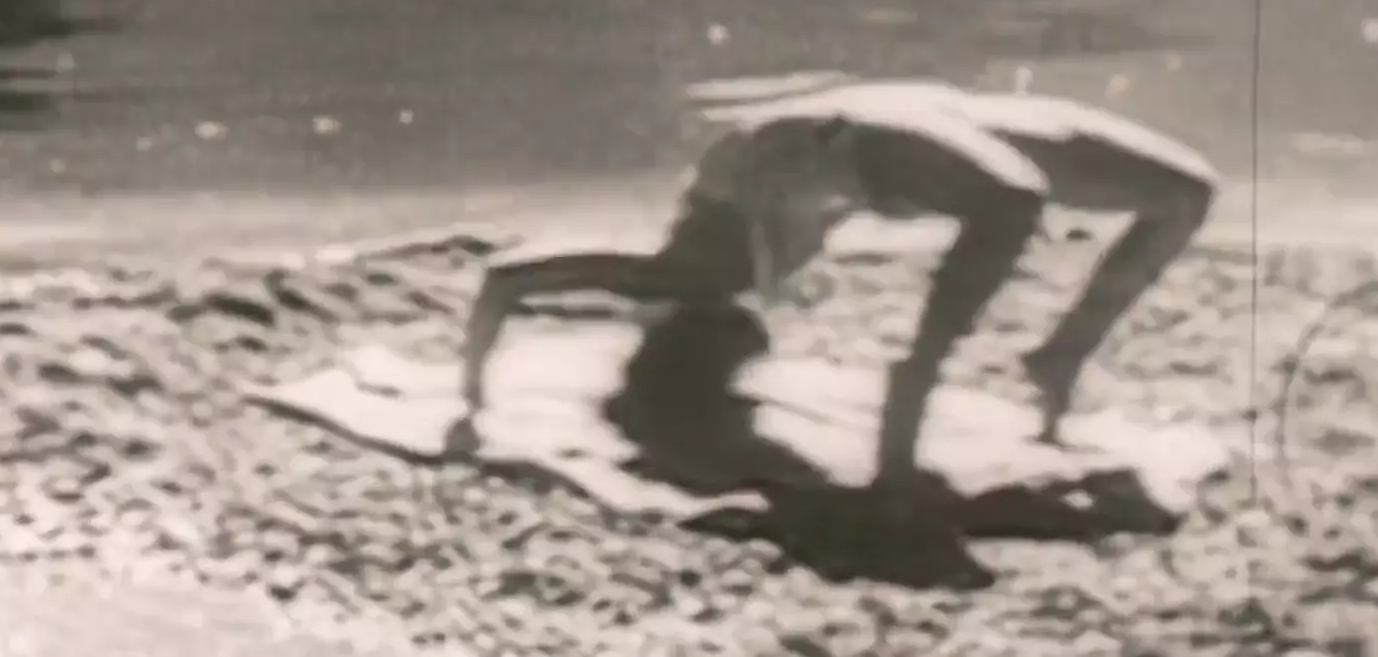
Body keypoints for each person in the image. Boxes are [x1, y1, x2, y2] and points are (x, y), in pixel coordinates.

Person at [447, 75, 1219, 505]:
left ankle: (1046, 360)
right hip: (885, 125)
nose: (750, 341)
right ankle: (932, 381)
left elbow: (510, 277)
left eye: (728, 351)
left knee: (1171, 193)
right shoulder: (727, 263)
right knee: (1158, 192)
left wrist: (472, 389)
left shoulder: (694, 273)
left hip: (853, 126)